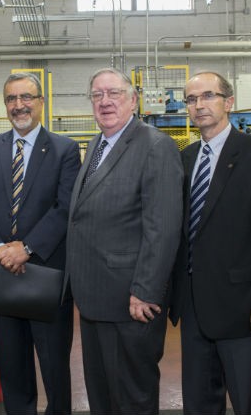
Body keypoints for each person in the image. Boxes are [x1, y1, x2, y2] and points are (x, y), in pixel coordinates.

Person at [168, 72, 251, 414]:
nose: (198, 105)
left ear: (229, 102)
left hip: (243, 309)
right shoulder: (186, 158)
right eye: (191, 99)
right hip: (193, 305)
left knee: (247, 400)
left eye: (208, 96)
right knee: (199, 401)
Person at [65, 67, 183, 414]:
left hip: (132, 301)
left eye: (113, 93)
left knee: (132, 395)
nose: (105, 102)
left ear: (133, 100)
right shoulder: (98, 144)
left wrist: (146, 289)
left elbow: (163, 227)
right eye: (97, 95)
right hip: (95, 299)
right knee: (102, 393)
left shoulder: (154, 146)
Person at [0, 72, 80, 415]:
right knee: (13, 365)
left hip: (46, 274)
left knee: (54, 365)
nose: (19, 105)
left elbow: (65, 207)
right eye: (12, 99)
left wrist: (26, 247)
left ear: (41, 102)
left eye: (26, 97)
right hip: (1, 276)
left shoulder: (65, 150)